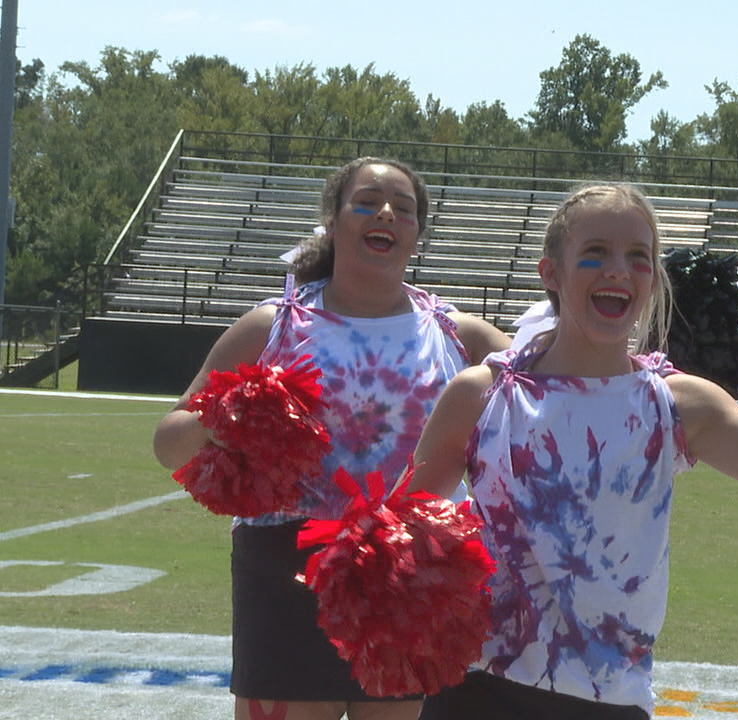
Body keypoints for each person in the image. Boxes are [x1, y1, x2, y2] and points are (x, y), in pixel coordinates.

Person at [407, 183, 738, 719]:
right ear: (552, 274)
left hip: (608, 702)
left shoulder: (677, 405)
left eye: (639, 256)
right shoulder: (481, 395)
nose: (618, 269)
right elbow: (400, 540)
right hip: (475, 692)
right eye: (595, 252)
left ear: (653, 280)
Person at [153, 156, 510, 720]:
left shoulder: (458, 334)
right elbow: (169, 441)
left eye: (405, 208)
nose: (386, 213)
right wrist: (232, 413)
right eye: (366, 201)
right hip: (285, 567)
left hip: (411, 573)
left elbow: (553, 387)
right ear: (335, 220)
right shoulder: (272, 325)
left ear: (417, 233)